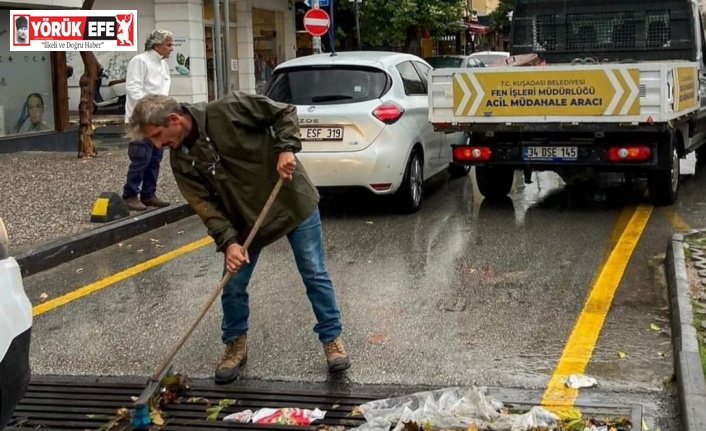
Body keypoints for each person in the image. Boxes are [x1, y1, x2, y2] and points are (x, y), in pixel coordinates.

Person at [126, 92, 351, 384]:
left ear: (174, 119)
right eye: (152, 141)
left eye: (158, 135)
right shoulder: (180, 159)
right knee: (233, 284)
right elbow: (205, 205)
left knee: (314, 272)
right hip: (244, 222)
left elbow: (284, 111)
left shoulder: (229, 109)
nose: (158, 145)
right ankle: (235, 344)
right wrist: (229, 242)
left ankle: (332, 340)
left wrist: (286, 149)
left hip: (290, 200)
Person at [121, 29, 174, 211]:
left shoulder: (163, 65)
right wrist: (154, 107)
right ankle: (129, 195)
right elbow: (134, 89)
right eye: (168, 44)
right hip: (141, 119)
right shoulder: (140, 61)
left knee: (155, 158)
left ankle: (148, 194)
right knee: (140, 158)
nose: (171, 49)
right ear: (156, 45)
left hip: (158, 119)